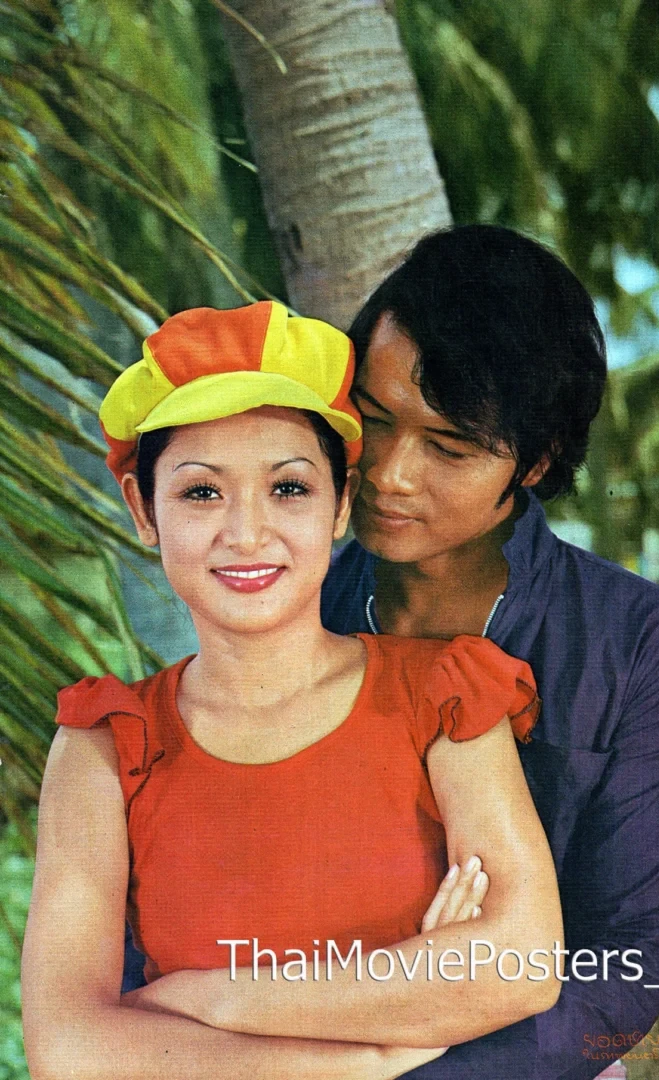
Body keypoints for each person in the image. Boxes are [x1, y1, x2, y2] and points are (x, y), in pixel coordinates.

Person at [21, 300, 563, 1080]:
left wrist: (214, 998)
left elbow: (522, 963)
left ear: (341, 503)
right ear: (143, 510)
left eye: (288, 489)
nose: (247, 533)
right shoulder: (105, 744)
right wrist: (375, 1047)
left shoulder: (444, 696)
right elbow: (68, 1050)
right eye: (201, 493)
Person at [318, 225, 659, 1079]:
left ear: (535, 463)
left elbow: (621, 973)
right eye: (373, 420)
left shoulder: (648, 651)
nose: (389, 473)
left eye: (447, 447)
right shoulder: (293, 608)